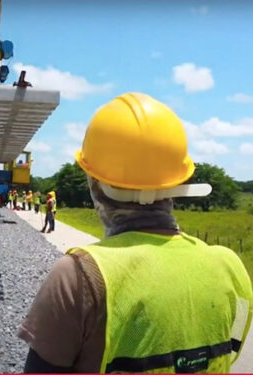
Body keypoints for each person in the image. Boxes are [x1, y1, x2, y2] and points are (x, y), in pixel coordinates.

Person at [19, 93, 253, 373]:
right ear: (178, 182)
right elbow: (232, 346)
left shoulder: (79, 276)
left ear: (94, 184)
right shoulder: (231, 268)